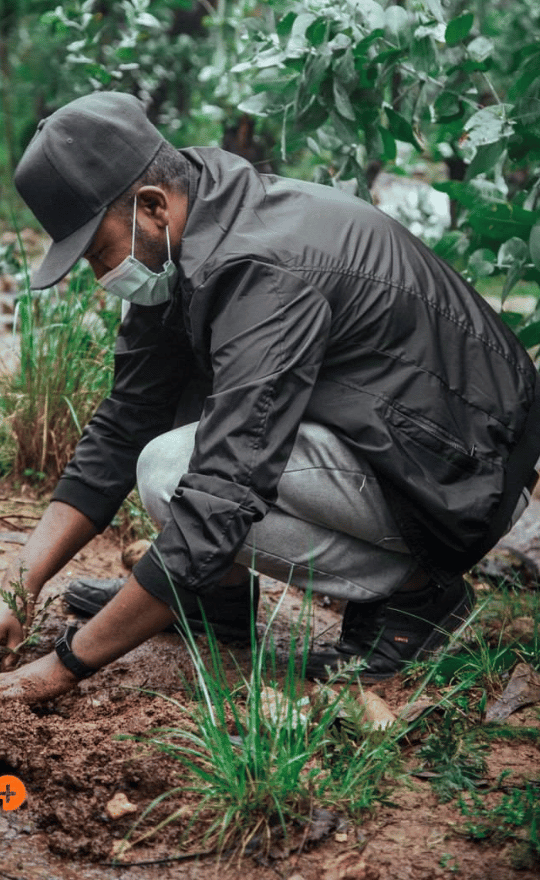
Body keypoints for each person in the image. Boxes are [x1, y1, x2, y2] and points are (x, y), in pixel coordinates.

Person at [1, 91, 539, 703]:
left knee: (172, 468)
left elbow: (224, 492)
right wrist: (19, 583)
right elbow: (128, 417)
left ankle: (419, 595)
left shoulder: (261, 268)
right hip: (396, 435)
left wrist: (66, 665)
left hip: (465, 475)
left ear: (151, 205)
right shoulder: (189, 226)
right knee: (175, 420)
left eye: (99, 251)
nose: (103, 276)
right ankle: (214, 601)